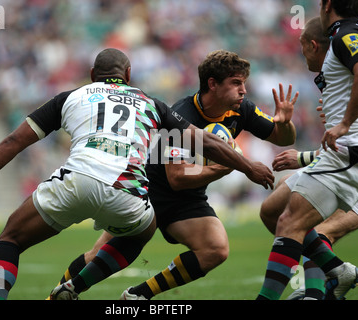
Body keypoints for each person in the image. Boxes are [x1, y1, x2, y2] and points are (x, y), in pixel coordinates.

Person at [0, 48, 274, 300]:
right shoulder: (152, 103)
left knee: (10, 240)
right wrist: (249, 167)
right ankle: (76, 286)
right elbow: (205, 141)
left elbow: (15, 140)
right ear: (129, 74)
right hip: (128, 191)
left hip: (76, 179)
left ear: (92, 74)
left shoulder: (69, 97)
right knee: (139, 235)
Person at [49, 50, 298, 300]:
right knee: (96, 255)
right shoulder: (183, 115)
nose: (243, 90)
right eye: (236, 83)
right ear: (212, 84)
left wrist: (285, 122)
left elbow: (283, 138)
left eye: (243, 83)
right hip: (149, 191)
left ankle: (138, 296)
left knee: (215, 249)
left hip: (188, 198)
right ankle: (57, 297)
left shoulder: (241, 109)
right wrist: (223, 169)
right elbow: (176, 178)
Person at [257, 0, 358, 300]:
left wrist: (345, 122)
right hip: (345, 151)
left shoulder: (347, 34)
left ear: (327, 5)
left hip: (354, 151)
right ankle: (336, 269)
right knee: (272, 212)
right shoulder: (348, 37)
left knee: (292, 223)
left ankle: (308, 293)